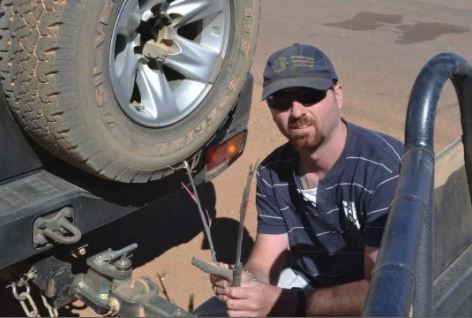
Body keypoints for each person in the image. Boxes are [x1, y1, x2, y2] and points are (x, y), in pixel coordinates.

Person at [206, 43, 404, 317]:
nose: (296, 111)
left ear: (337, 95)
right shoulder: (272, 172)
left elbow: (382, 290)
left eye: (309, 95)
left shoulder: (383, 169)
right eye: (281, 100)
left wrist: (287, 303)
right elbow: (264, 262)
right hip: (308, 285)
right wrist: (246, 284)